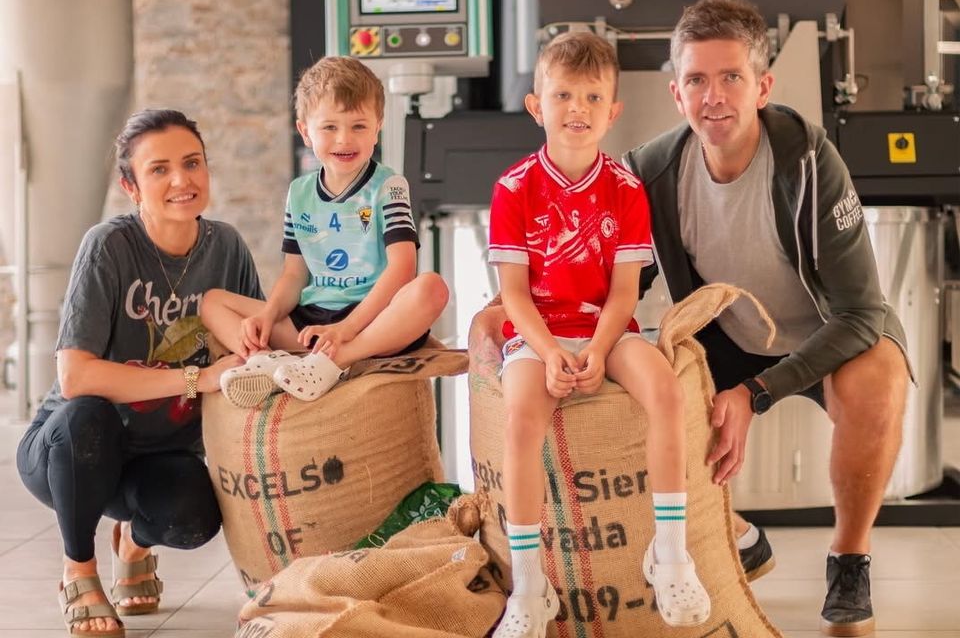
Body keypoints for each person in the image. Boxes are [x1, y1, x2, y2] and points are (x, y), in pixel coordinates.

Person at [623, 0, 912, 635]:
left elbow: (861, 311)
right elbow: (620, 284)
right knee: (634, 379)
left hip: (829, 333)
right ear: (676, 92)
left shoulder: (808, 159)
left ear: (762, 87)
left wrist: (756, 394)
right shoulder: (651, 171)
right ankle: (738, 536)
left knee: (879, 381)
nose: (714, 97)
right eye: (697, 80)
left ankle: (849, 560)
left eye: (732, 77)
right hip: (727, 337)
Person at [487, 32, 711, 637]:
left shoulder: (626, 188)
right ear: (536, 106)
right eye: (562, 95)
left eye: (591, 97)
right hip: (538, 333)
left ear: (613, 112)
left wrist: (597, 348)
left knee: (666, 392)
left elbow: (623, 292)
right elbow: (513, 295)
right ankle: (530, 585)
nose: (577, 109)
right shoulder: (513, 188)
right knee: (521, 418)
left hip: (608, 330)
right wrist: (549, 351)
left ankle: (670, 554)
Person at [16, 109, 263, 638]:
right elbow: (76, 377)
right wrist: (196, 379)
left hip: (158, 455)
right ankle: (79, 570)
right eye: (159, 169)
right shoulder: (109, 246)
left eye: (192, 163)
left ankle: (133, 543)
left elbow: (252, 346)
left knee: (194, 520)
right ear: (131, 186)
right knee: (87, 415)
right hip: (70, 452)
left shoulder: (226, 249)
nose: (181, 180)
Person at [202, 56, 448, 408]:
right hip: (311, 323)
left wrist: (347, 329)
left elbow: (403, 269)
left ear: (377, 128)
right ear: (305, 131)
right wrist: (268, 316)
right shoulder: (299, 192)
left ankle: (334, 361)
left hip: (374, 321)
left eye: (359, 126)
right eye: (330, 127)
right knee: (213, 302)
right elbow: (294, 274)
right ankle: (266, 361)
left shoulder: (389, 186)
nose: (344, 139)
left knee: (432, 288)